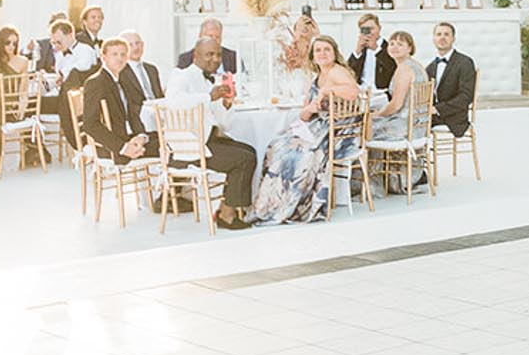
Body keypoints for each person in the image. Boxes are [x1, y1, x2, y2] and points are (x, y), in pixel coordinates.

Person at [251, 36, 362, 224]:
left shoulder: (337, 71)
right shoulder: (314, 77)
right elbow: (304, 114)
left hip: (339, 131)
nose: (322, 53)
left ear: (334, 52)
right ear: (313, 56)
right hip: (317, 126)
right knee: (277, 146)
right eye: (318, 50)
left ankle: (294, 206)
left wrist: (327, 90)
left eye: (327, 49)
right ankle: (271, 205)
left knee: (296, 154)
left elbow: (353, 91)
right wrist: (309, 109)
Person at [162, 36, 260, 229]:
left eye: (218, 55)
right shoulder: (180, 75)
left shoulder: (210, 82)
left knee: (250, 151)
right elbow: (174, 101)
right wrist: (209, 96)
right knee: (243, 159)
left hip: (208, 140)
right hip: (187, 148)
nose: (215, 59)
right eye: (209, 54)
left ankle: (227, 208)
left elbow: (223, 124)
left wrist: (225, 104)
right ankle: (227, 214)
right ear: (195, 55)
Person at [81, 38, 158, 167]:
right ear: (103, 57)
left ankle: (169, 186)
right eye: (114, 54)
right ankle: (171, 186)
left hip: (129, 138)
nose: (119, 58)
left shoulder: (124, 80)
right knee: (171, 149)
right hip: (111, 147)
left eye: (123, 54)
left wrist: (141, 136)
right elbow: (90, 124)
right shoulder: (96, 82)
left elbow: (133, 113)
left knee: (170, 142)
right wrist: (123, 148)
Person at [370, 31, 428, 190]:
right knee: (372, 122)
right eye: (392, 43)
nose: (394, 47)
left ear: (410, 48)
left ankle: (372, 184)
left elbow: (396, 105)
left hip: (405, 126)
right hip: (418, 125)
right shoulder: (416, 65)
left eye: (400, 44)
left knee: (366, 127)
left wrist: (377, 114)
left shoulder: (404, 69)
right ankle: (390, 178)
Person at [42, 16, 97, 152]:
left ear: (70, 35)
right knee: (33, 104)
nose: (56, 46)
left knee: (64, 106)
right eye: (53, 43)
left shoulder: (86, 50)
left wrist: (62, 75)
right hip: (63, 95)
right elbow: (59, 78)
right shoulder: (60, 54)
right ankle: (37, 151)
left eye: (58, 42)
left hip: (81, 99)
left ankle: (82, 146)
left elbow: (81, 70)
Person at [0, 26, 33, 171]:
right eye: (7, 43)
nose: (11, 46)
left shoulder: (22, 61)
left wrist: (21, 109)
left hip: (10, 107)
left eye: (14, 43)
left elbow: (23, 90)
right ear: (0, 43)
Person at [426, 22, 476, 138]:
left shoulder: (465, 62)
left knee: (412, 125)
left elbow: (466, 96)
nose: (442, 37)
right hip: (434, 116)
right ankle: (413, 154)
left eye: (446, 34)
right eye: (438, 34)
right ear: (434, 39)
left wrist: (438, 109)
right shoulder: (430, 67)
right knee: (405, 121)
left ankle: (414, 153)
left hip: (455, 118)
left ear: (453, 39)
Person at [349, 14, 394, 91]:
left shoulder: (389, 47)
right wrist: (357, 51)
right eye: (364, 29)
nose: (369, 32)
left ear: (379, 28)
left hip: (381, 92)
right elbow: (348, 72)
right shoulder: (362, 49)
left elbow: (391, 69)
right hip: (361, 90)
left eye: (371, 28)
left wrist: (376, 49)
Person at [121, 31, 164, 108]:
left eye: (137, 43)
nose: (135, 48)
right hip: (137, 115)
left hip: (159, 111)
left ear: (143, 45)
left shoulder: (152, 69)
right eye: (130, 45)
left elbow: (160, 96)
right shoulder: (121, 71)